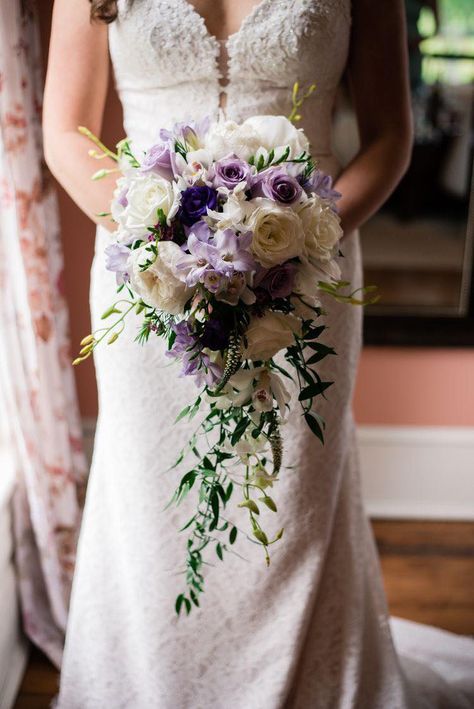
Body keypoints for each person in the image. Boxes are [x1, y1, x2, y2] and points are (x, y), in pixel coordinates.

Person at [43, 1, 474, 707]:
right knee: (151, 504)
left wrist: (300, 241)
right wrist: (164, 245)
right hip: (147, 282)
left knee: (292, 500)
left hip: (305, 271)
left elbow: (391, 136)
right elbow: (65, 131)